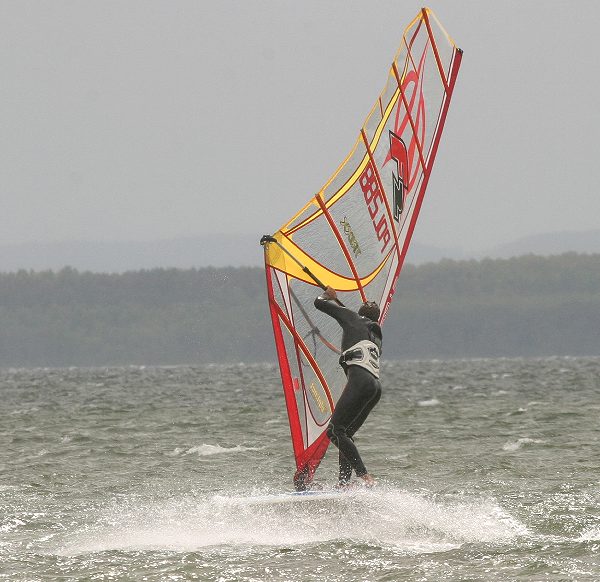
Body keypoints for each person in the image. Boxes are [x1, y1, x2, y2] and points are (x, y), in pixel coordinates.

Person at [314, 286, 382, 487]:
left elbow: (319, 303)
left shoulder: (352, 318)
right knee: (345, 433)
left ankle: (364, 476)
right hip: (375, 388)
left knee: (334, 431)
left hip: (360, 381)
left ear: (360, 312)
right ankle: (344, 484)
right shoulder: (376, 335)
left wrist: (328, 295)